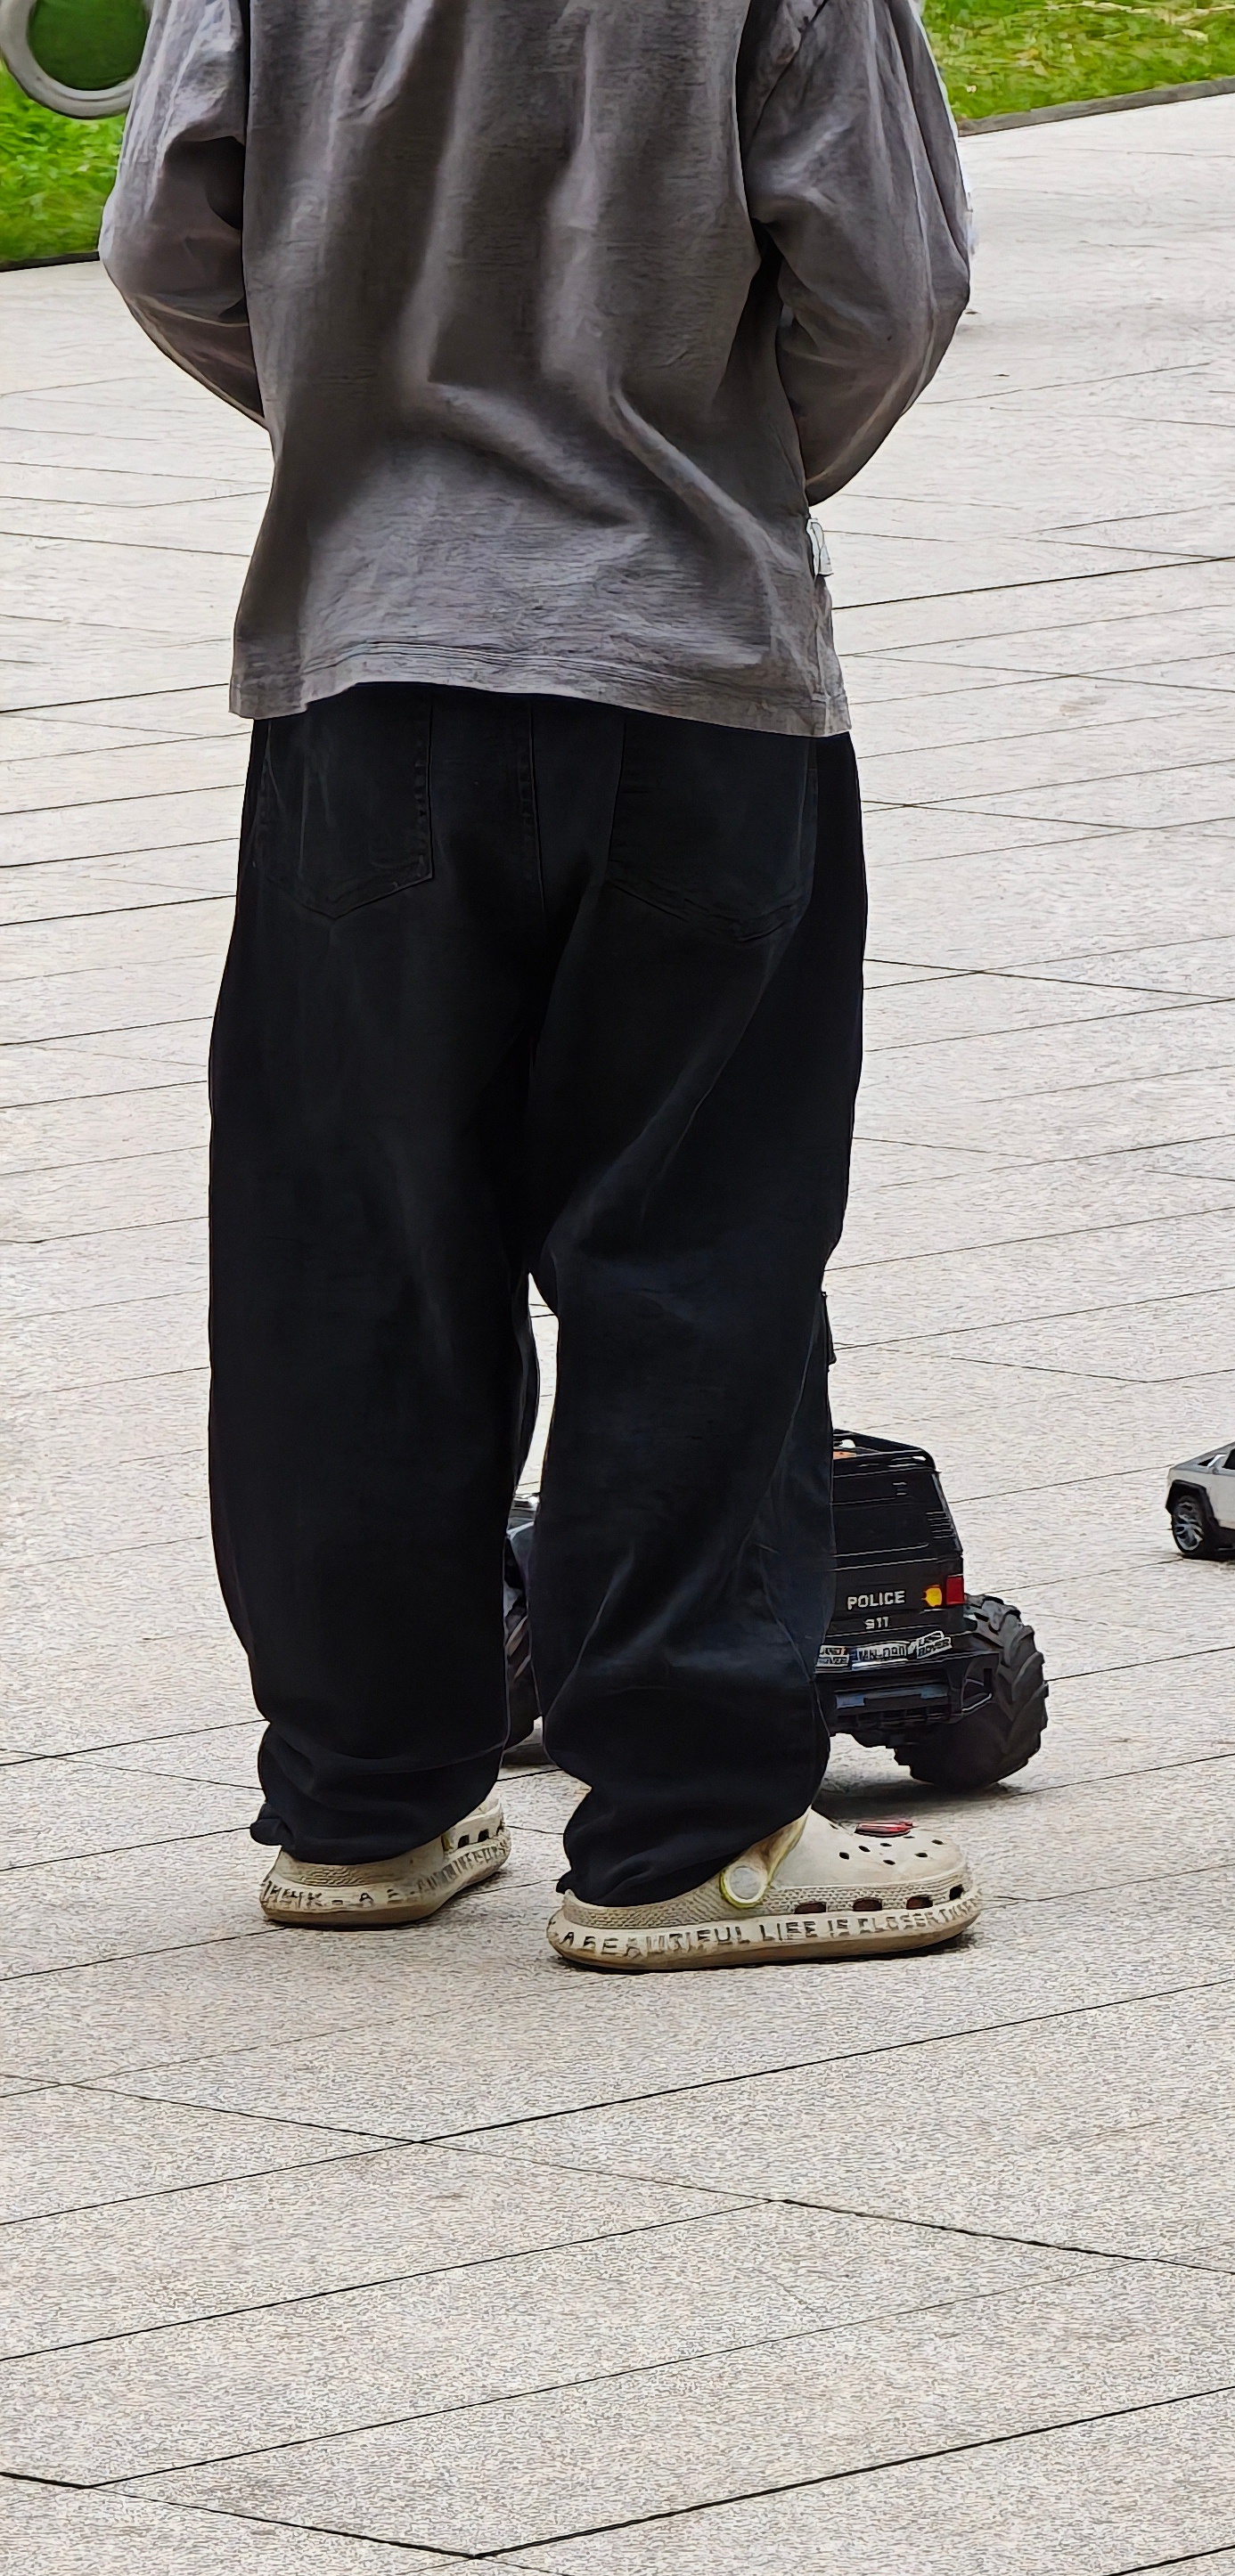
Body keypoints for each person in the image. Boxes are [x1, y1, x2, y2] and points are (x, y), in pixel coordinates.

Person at [99, 0, 984, 1970]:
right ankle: (685, 1833)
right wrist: (714, 470)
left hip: (368, 664)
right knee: (696, 1242)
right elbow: (893, 281)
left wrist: (382, 441)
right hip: (685, 675)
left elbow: (166, 235)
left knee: (353, 1250)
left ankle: (365, 1808)